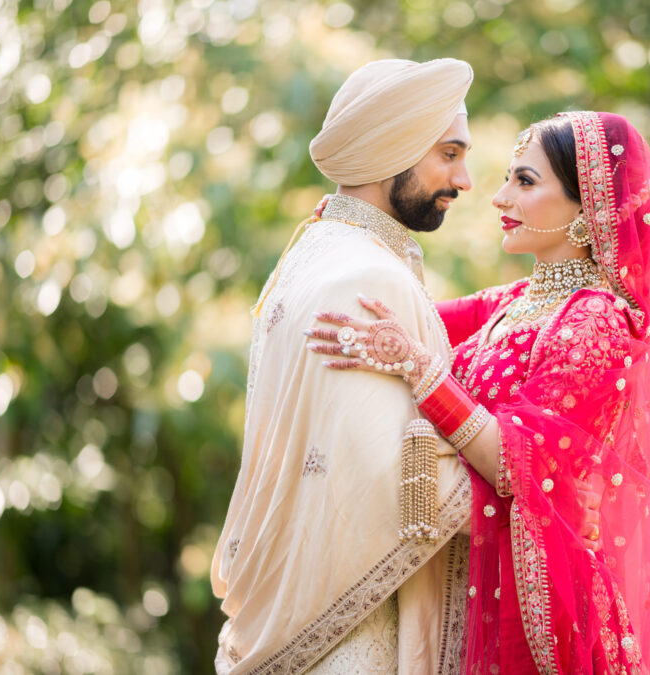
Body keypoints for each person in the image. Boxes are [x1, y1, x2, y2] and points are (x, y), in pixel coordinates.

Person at [308, 111, 650, 673]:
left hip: (536, 602)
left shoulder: (596, 322)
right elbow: (398, 310)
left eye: (524, 181)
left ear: (585, 205)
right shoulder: (516, 302)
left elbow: (515, 464)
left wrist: (421, 370)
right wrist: (353, 226)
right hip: (466, 580)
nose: (497, 198)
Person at [209, 58, 478, 675]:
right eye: (449, 153)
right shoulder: (364, 273)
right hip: (351, 638)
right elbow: (394, 488)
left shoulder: (315, 250)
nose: (463, 178)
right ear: (394, 150)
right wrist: (531, 474)